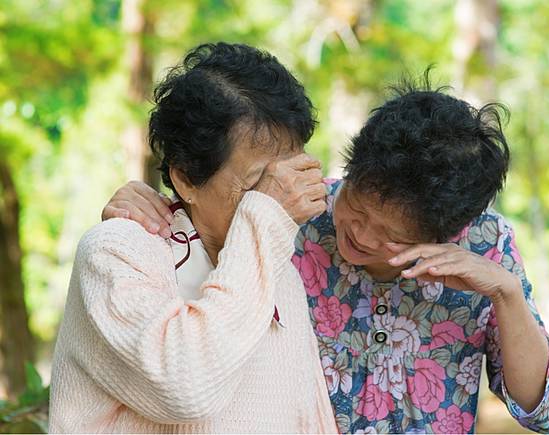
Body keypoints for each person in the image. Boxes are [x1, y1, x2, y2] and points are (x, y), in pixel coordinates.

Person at [106, 71, 549, 433]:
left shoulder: (487, 245)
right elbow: (204, 211)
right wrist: (145, 203)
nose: (362, 236)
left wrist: (507, 295)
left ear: (451, 232)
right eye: (357, 206)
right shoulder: (295, 214)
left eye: (392, 234)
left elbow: (548, 414)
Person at [48, 43, 338, 433]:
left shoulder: (274, 263)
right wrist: (265, 218)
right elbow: (186, 388)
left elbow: (307, 414)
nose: (282, 197)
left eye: (289, 175)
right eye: (259, 183)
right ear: (185, 178)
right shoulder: (116, 251)